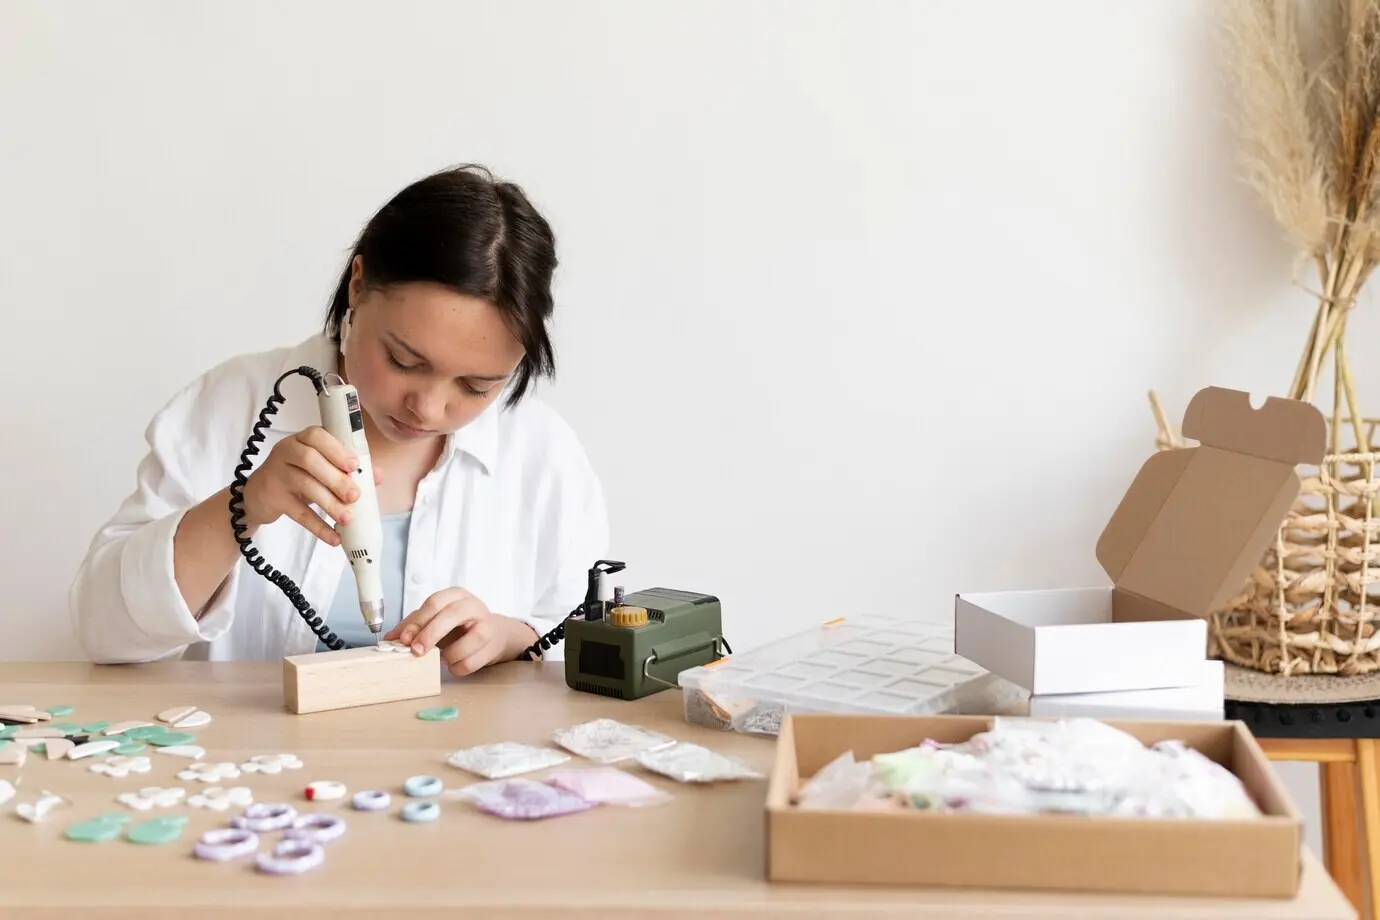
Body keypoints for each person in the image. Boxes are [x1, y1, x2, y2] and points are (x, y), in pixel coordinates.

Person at [69, 164, 609, 676]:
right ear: (358, 284)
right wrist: (245, 505)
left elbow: (590, 645)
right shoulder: (230, 405)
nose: (427, 407)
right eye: (404, 361)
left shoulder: (543, 455)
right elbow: (105, 631)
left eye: (476, 386)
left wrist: (512, 638)